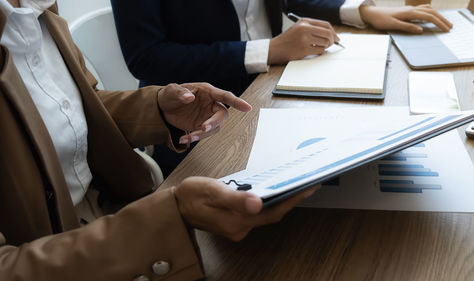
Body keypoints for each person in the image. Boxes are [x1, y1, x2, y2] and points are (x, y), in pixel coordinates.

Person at [0, 0, 319, 280]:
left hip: (113, 209)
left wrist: (157, 110)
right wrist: (167, 219)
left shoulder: (37, 10)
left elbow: (71, 107)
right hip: (80, 248)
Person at [111, 0, 453, 175]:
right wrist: (270, 49)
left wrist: (361, 11)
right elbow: (147, 58)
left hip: (275, 87)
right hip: (199, 118)